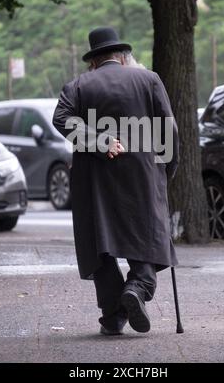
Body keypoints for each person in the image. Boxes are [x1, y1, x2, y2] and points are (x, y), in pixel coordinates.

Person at [53, 27, 179, 335]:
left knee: (101, 243)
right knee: (147, 232)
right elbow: (169, 129)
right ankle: (137, 286)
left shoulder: (78, 85)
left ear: (93, 61)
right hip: (142, 171)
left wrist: (99, 141)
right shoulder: (148, 79)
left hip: (93, 178)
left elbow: (61, 119)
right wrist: (166, 170)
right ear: (123, 58)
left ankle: (112, 313)